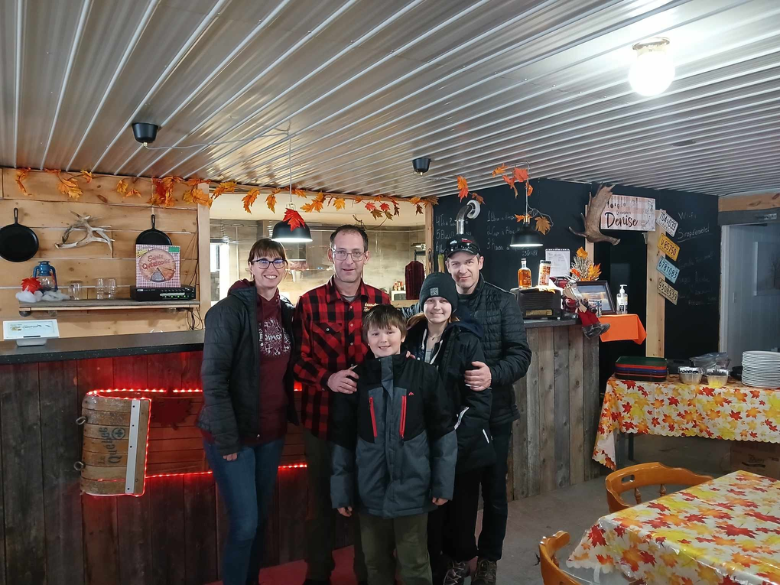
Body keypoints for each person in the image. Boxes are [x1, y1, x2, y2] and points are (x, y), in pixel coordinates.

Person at [402, 236, 532, 585]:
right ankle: (459, 558)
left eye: (467, 261)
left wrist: (493, 374)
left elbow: (521, 355)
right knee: (454, 494)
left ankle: (488, 559)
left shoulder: (503, 302)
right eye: (455, 262)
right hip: (450, 420)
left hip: (495, 414)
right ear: (447, 268)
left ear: (480, 262)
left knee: (493, 494)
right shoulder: (440, 304)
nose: (461, 268)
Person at [330, 305, 457, 585]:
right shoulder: (355, 380)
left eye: (390, 332)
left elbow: (443, 433)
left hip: (414, 489)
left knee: (415, 563)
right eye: (375, 333)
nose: (383, 339)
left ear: (403, 335)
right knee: (375, 564)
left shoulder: (424, 375)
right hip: (369, 491)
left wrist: (443, 483)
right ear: (366, 338)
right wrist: (342, 490)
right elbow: (342, 440)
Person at [197, 238, 298, 585]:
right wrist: (226, 440)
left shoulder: (286, 310)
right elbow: (214, 378)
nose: (271, 268)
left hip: (270, 433)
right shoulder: (228, 311)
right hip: (234, 435)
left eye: (277, 262)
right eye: (263, 261)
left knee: (260, 521)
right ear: (250, 267)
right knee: (245, 525)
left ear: (285, 268)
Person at [294, 225, 391, 585]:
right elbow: (298, 362)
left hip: (370, 423)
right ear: (329, 255)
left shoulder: (381, 301)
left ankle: (370, 575)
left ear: (366, 257)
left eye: (355, 253)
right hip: (321, 421)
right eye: (340, 252)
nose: (348, 260)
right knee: (320, 505)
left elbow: (391, 358)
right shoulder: (309, 302)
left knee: (367, 504)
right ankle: (318, 575)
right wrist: (328, 379)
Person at [404, 273, 494, 585]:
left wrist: (450, 443)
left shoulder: (467, 341)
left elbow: (479, 403)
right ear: (422, 303)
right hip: (422, 445)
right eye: (430, 300)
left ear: (452, 305)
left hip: (461, 446)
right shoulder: (411, 338)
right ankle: (437, 566)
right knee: (431, 515)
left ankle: (459, 565)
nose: (437, 306)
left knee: (461, 513)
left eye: (443, 300)